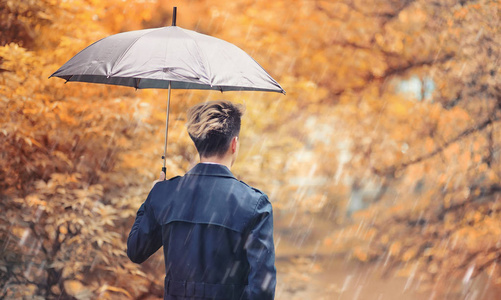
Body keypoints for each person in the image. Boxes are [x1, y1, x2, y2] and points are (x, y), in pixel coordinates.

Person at [127, 100, 276, 300]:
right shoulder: (254, 204)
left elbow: (136, 251)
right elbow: (263, 290)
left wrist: (152, 197)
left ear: (198, 143)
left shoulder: (165, 194)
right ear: (234, 144)